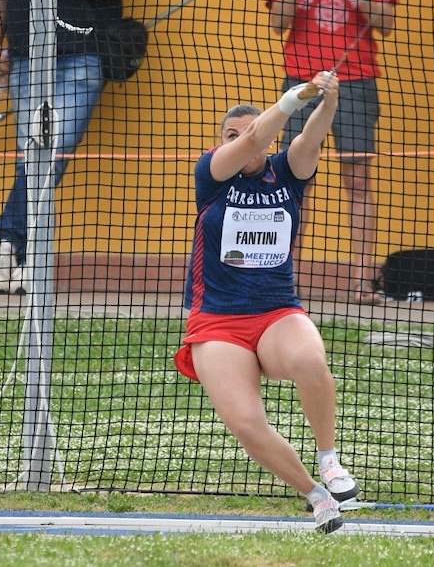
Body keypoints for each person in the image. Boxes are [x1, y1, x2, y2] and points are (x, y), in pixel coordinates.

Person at [174, 71, 359, 534]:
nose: (240, 141)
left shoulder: (287, 172)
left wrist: (327, 100)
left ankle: (329, 462)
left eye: (247, 132)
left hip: (277, 311)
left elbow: (311, 139)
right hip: (217, 321)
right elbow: (257, 134)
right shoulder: (212, 173)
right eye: (229, 135)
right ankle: (315, 498)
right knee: (245, 422)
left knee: (309, 358)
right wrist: (294, 97)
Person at [0, 0, 145, 293]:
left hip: (83, 53)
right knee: (32, 155)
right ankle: (15, 255)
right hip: (24, 57)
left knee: (50, 150)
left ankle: (5, 238)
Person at [266, 0, 397, 305]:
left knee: (358, 179)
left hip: (355, 81)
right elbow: (277, 23)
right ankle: (286, 278)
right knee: (295, 180)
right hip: (301, 83)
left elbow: (387, 23)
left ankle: (363, 280)